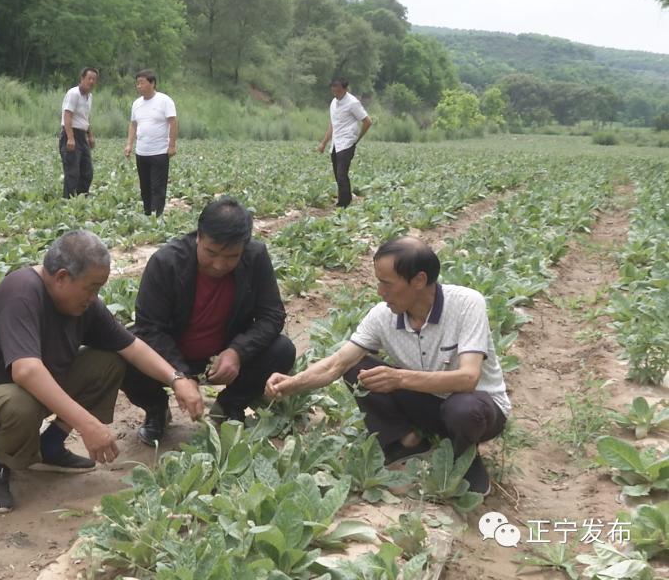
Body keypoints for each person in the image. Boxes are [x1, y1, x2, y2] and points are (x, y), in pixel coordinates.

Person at [0, 230, 204, 513]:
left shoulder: (83, 305)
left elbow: (132, 347)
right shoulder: (22, 291)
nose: (94, 297)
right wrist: (88, 425)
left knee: (108, 361)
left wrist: (177, 379)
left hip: (27, 394)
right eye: (91, 287)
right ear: (62, 277)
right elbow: (25, 371)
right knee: (20, 401)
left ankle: (49, 446)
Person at [264, 237, 510, 495]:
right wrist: (292, 384)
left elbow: (468, 378)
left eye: (387, 283)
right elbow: (336, 364)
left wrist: (399, 378)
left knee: (463, 408)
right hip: (427, 403)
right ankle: (406, 442)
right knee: (358, 367)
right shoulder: (383, 316)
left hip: (479, 410)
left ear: (418, 281)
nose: (380, 292)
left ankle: (464, 456)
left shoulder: (466, 304)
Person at [122, 197, 295, 444]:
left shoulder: (255, 257)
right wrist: (178, 375)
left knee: (282, 350)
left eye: (231, 256)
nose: (219, 264)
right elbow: (150, 328)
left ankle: (228, 406)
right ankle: (156, 409)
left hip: (222, 354)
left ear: (244, 247)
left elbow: (272, 315)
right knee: (123, 353)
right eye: (211, 253)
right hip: (171, 356)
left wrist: (237, 351)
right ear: (198, 237)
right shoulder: (166, 262)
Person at [123, 69, 178, 217]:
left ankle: (156, 216)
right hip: (142, 152)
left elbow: (173, 123)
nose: (139, 86)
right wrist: (129, 144)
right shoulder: (136, 104)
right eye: (137, 83)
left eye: (142, 83)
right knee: (144, 186)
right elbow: (133, 125)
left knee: (158, 187)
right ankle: (148, 213)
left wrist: (172, 145)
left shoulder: (164, 100)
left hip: (159, 151)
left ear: (152, 83)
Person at [317, 77, 372, 208]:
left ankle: (344, 204)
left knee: (342, 174)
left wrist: (357, 138)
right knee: (338, 175)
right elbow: (332, 125)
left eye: (338, 91)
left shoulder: (353, 103)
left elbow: (367, 121)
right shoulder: (333, 103)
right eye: (333, 91)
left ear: (345, 89)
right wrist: (323, 143)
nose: (336, 94)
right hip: (336, 143)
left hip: (347, 142)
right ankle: (344, 200)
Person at [59, 67, 99, 198]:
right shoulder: (74, 93)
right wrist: (70, 138)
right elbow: (67, 115)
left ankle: (81, 199)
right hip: (71, 134)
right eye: (89, 78)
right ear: (82, 79)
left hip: (82, 135)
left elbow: (85, 118)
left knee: (87, 172)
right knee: (72, 172)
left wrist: (90, 135)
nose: (91, 81)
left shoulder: (89, 96)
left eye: (94, 79)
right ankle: (68, 201)